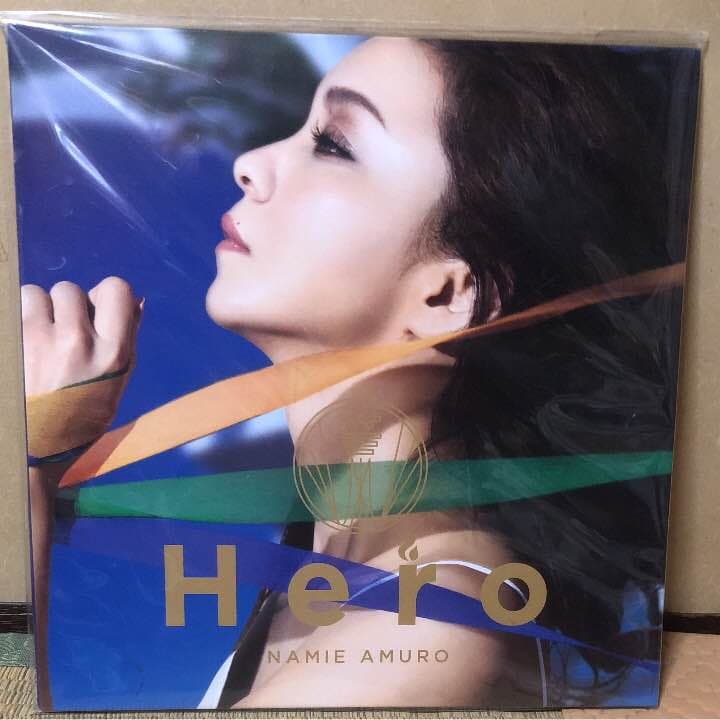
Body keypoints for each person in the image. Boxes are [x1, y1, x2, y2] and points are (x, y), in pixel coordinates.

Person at [23, 35, 687, 709]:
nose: (251, 164)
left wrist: (27, 471)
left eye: (334, 144)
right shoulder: (346, 575)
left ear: (451, 295)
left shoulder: (426, 633)